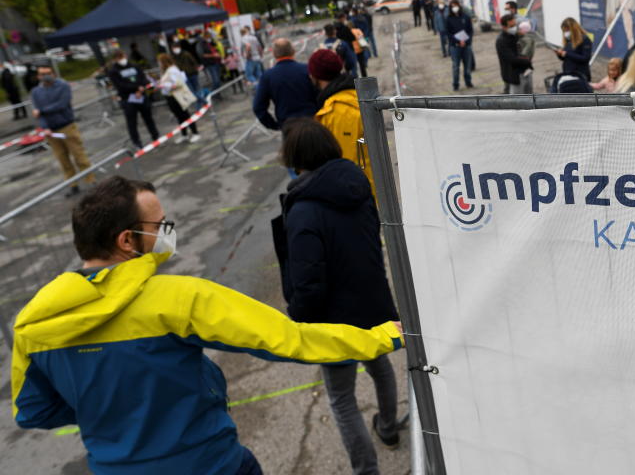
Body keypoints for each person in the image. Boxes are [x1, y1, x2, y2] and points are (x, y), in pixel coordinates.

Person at [11, 175, 404, 475]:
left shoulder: (34, 324)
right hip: (209, 463)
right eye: (160, 224)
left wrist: (108, 405)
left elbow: (34, 413)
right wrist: (381, 337)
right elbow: (290, 339)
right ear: (128, 240)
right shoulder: (178, 298)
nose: (168, 232)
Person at [273, 119, 400, 474]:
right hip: (373, 302)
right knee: (380, 367)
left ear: (295, 158)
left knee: (342, 399)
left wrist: (300, 319)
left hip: (334, 320)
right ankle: (388, 428)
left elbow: (308, 281)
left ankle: (366, 470)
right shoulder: (359, 187)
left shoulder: (303, 209)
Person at [307, 49, 375, 195]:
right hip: (373, 194)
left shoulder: (335, 112)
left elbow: (348, 167)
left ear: (316, 76)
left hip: (360, 201)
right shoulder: (355, 95)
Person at [30, 64, 93, 196]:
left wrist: (42, 111)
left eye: (48, 73)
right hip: (51, 132)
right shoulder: (36, 92)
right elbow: (38, 114)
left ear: (53, 73)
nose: (45, 76)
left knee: (79, 156)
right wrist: (45, 127)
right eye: (42, 74)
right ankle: (72, 184)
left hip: (67, 126)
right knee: (63, 160)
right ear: (38, 76)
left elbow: (62, 105)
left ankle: (90, 181)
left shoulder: (63, 86)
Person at [252, 38, 318, 131]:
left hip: (288, 125)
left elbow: (258, 107)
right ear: (293, 51)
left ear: (274, 54)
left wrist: (274, 125)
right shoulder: (307, 69)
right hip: (312, 121)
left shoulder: (268, 76)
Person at [107, 50, 160, 150]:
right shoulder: (113, 71)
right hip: (128, 99)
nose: (122, 59)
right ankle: (137, 142)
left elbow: (143, 78)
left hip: (141, 96)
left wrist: (141, 88)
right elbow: (120, 85)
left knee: (148, 118)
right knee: (132, 122)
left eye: (122, 56)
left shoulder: (134, 66)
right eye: (119, 58)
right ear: (115, 59)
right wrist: (136, 88)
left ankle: (155, 137)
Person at [157, 53, 200, 144]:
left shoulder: (172, 70)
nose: (159, 64)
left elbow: (179, 82)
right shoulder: (166, 71)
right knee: (179, 117)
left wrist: (166, 85)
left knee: (185, 115)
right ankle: (184, 134)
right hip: (170, 97)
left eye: (160, 62)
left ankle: (195, 133)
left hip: (176, 96)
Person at [496, 14, 532, 95]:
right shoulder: (501, 41)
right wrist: (527, 60)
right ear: (504, 27)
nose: (514, 28)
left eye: (515, 25)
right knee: (518, 102)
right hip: (514, 76)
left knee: (530, 97)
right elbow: (512, 59)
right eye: (511, 26)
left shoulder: (515, 35)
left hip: (525, 71)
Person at [553, 18, 593, 82]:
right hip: (568, 74)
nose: (565, 33)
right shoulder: (568, 40)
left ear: (573, 29)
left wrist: (567, 54)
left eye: (567, 30)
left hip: (581, 75)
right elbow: (566, 58)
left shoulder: (585, 39)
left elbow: (585, 58)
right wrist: (560, 54)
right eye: (564, 31)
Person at [445, 0, 474, 91]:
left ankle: (468, 82)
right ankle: (455, 84)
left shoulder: (466, 17)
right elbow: (448, 33)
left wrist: (466, 40)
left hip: (466, 45)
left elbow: (470, 31)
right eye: (452, 6)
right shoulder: (448, 19)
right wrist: (458, 41)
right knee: (456, 67)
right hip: (455, 46)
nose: (455, 8)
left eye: (456, 6)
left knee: (467, 66)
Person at [337, 12, 366, 77]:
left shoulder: (338, 28)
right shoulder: (356, 30)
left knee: (350, 68)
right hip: (357, 49)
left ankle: (351, 81)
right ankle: (363, 78)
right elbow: (357, 38)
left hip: (346, 51)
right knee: (361, 66)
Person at [517, 20, 536, 93]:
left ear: (524, 30)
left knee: (525, 85)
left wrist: (521, 59)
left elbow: (525, 53)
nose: (518, 30)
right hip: (528, 63)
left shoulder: (526, 40)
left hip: (524, 64)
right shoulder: (531, 38)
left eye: (520, 29)